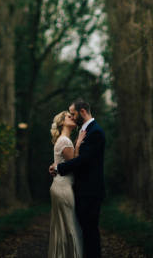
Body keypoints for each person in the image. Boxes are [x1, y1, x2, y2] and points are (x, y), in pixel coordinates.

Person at [49, 100, 106, 258]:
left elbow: (83, 161)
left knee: (88, 232)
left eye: (73, 114)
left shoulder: (95, 132)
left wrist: (59, 167)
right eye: (69, 116)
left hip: (90, 191)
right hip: (77, 189)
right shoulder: (84, 131)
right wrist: (58, 165)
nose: (72, 117)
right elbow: (73, 159)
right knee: (81, 230)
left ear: (82, 112)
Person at [48, 111, 85, 258]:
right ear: (63, 122)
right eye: (70, 116)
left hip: (60, 185)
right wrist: (79, 144)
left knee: (63, 227)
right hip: (63, 187)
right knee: (69, 227)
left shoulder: (63, 140)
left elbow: (62, 163)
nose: (73, 118)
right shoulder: (65, 141)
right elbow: (75, 165)